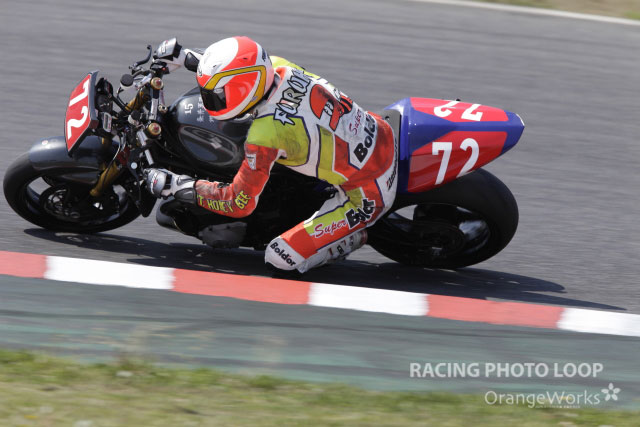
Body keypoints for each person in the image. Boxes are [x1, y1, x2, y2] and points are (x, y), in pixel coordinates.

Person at [145, 36, 397, 274]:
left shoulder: (266, 135)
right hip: (379, 131)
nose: (210, 99)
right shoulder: (278, 67)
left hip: (368, 192)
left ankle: (353, 237)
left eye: (217, 95)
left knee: (280, 257)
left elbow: (238, 202)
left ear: (244, 89)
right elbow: (237, 69)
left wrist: (177, 185)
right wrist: (184, 56)